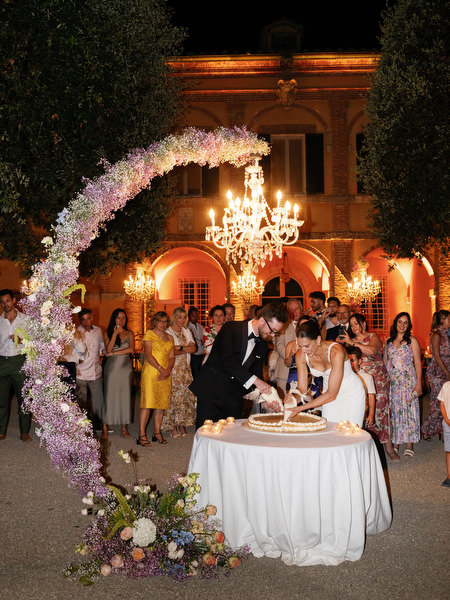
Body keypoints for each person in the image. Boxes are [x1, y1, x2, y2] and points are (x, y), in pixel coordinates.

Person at [190, 303, 288, 428]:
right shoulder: (231, 328)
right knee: (205, 433)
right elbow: (226, 361)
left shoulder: (262, 344)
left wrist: (267, 397)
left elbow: (256, 373)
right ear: (262, 320)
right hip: (212, 388)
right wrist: (258, 382)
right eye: (272, 331)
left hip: (234, 395)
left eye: (276, 333)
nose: (273, 335)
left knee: (231, 435)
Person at [285, 319, 365, 426]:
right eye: (300, 346)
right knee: (330, 432)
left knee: (351, 434)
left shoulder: (336, 351)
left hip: (350, 394)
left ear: (318, 339)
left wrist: (300, 408)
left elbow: (332, 394)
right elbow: (302, 389)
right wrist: (292, 399)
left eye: (307, 346)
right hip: (328, 397)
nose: (303, 350)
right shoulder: (301, 355)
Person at [340, 313, 397, 460]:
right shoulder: (349, 341)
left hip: (378, 379)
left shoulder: (373, 336)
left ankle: (389, 447)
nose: (354, 327)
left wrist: (352, 342)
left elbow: (371, 350)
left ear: (364, 323)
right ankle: (367, 447)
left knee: (381, 411)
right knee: (362, 410)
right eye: (351, 325)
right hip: (359, 379)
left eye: (356, 323)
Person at [384, 313, 422, 458]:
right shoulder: (388, 341)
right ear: (395, 323)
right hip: (394, 381)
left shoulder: (412, 341)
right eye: (400, 322)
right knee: (395, 411)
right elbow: (385, 362)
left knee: (409, 410)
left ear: (409, 325)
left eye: (405, 323)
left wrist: (418, 384)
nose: (402, 325)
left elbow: (417, 362)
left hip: (408, 380)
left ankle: (409, 443)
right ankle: (396, 441)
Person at [138, 311, 175, 446]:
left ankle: (156, 432)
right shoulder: (149, 334)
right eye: (160, 321)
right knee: (147, 404)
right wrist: (161, 369)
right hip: (152, 373)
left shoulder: (170, 337)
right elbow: (148, 355)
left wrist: (167, 370)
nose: (163, 324)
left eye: (165, 321)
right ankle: (141, 434)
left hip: (165, 373)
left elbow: (172, 357)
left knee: (161, 405)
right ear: (155, 321)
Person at [0, 289, 32, 441]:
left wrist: (21, 339)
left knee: (24, 398)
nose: (5, 304)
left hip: (20, 360)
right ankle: (1, 430)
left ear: (13, 301)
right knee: (1, 399)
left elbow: (33, 341)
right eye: (2, 302)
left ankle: (24, 432)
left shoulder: (25, 320)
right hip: (3, 361)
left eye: (7, 300)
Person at [163, 307, 196, 438]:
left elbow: (193, 349)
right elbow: (170, 352)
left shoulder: (187, 331)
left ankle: (182, 425)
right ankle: (173, 427)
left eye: (184, 317)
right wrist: (184, 349)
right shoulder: (168, 332)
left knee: (184, 397)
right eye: (179, 317)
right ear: (174, 318)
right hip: (173, 368)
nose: (182, 320)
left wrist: (180, 348)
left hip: (185, 369)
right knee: (174, 398)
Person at [102, 308, 135, 440]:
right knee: (109, 396)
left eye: (124, 318)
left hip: (125, 368)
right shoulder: (107, 333)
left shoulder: (130, 333)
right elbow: (108, 349)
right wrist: (115, 333)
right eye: (119, 318)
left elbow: (131, 350)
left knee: (125, 396)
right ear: (114, 319)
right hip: (112, 368)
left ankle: (124, 427)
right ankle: (105, 427)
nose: (121, 320)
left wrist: (114, 353)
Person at [76, 308, 106, 434]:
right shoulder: (76, 332)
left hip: (96, 372)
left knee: (98, 401)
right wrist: (77, 360)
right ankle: (82, 427)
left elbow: (102, 348)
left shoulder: (98, 331)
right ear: (80, 321)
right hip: (81, 373)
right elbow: (71, 351)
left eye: (88, 319)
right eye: (83, 320)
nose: (86, 322)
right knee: (82, 402)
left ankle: (98, 425)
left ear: (92, 318)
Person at [422, 310, 450, 440]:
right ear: (442, 319)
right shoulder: (437, 335)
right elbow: (437, 357)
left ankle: (443, 429)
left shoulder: (447, 334)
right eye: (449, 318)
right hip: (438, 372)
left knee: (447, 402)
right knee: (437, 402)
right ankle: (427, 429)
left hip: (447, 368)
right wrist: (446, 372)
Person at [273, 298, 303, 394]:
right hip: (285, 371)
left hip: (304, 371)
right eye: (291, 309)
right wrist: (291, 357)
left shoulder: (307, 323)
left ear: (301, 309)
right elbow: (279, 345)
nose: (294, 312)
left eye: (296, 309)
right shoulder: (283, 325)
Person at [347, 345, 376, 427]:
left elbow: (371, 396)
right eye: (348, 361)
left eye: (353, 360)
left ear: (360, 361)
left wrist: (371, 414)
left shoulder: (367, 377)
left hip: (360, 413)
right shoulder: (344, 376)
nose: (350, 364)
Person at [438, 381, 450, 487]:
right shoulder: (446, 386)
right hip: (448, 424)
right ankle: (449, 476)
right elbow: (442, 404)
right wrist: (446, 419)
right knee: (449, 450)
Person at [187, 306, 204, 379]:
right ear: (189, 316)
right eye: (193, 315)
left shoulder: (200, 327)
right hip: (193, 355)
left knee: (202, 375)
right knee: (195, 375)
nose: (195, 317)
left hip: (202, 354)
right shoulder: (187, 327)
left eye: (197, 315)